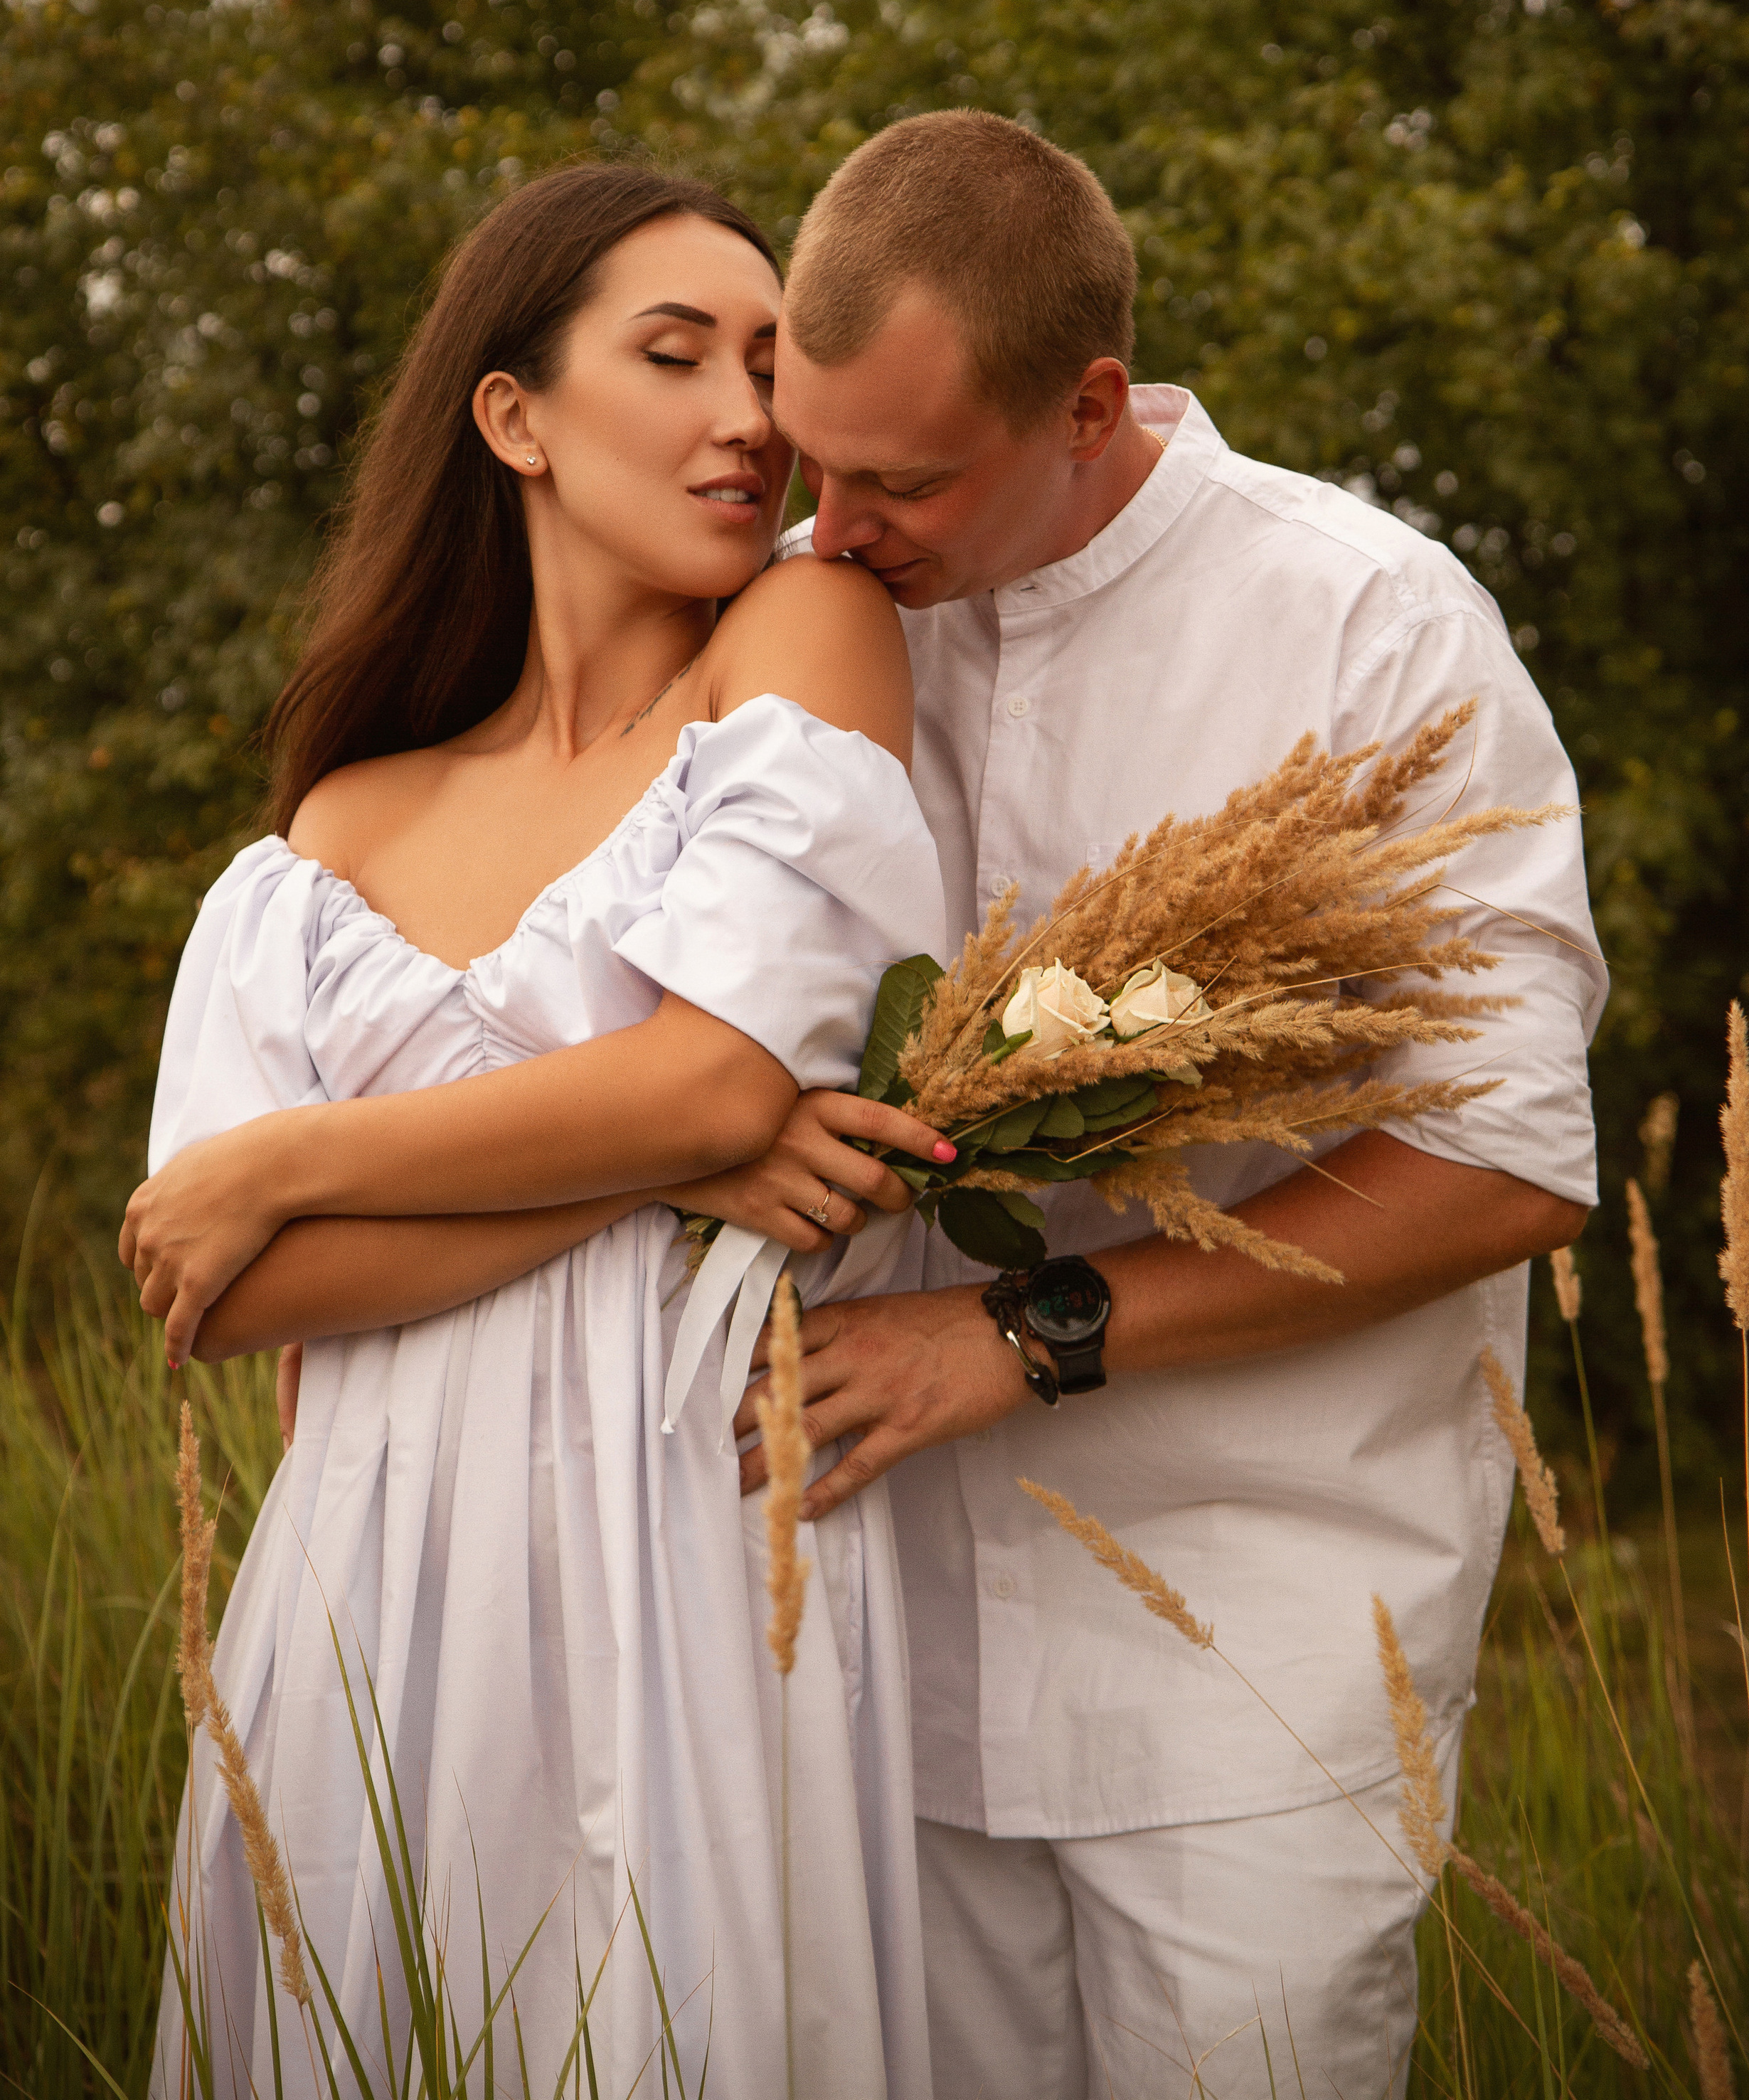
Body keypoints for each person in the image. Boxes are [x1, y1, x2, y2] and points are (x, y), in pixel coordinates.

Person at [138, 114, 1606, 2096]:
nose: (817, 505)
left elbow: (1504, 1157)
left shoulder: (1363, 628)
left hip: (1226, 1658)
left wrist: (1022, 1327)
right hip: (844, 1653)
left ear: (1087, 409)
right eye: (799, 439)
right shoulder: (809, 611)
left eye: (893, 476)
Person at [120, 159, 954, 2100]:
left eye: (772, 361)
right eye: (677, 356)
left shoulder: (805, 643)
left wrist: (291, 1159)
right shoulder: (339, 828)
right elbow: (233, 1300)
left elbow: (717, 1076)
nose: (751, 414)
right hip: (374, 1566)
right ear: (513, 416)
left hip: (694, 1535)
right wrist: (659, 1160)